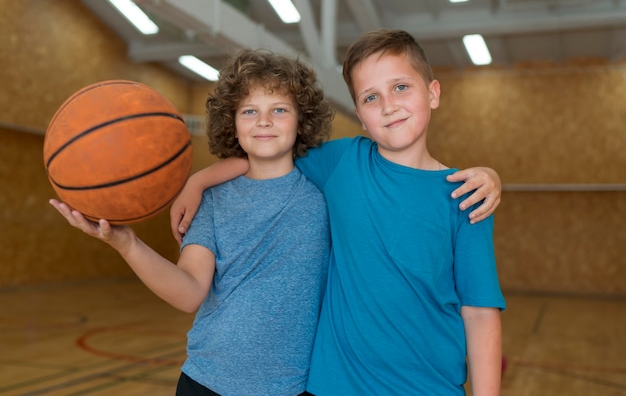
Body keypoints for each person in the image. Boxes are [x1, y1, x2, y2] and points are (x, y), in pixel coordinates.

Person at [170, 30, 505, 395]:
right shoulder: (342, 161)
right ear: (360, 115)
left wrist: (491, 176)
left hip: (427, 387)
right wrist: (198, 182)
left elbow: (479, 314)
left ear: (433, 93)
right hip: (332, 386)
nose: (388, 105)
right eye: (371, 97)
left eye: (401, 87)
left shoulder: (466, 195)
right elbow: (268, 150)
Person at [49, 49, 335, 396]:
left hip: (290, 386)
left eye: (279, 109)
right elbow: (188, 293)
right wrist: (127, 243)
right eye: (249, 111)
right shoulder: (212, 201)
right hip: (206, 381)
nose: (264, 121)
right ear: (231, 123)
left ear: (301, 120)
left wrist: (197, 178)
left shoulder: (325, 193)